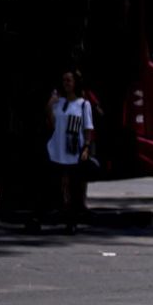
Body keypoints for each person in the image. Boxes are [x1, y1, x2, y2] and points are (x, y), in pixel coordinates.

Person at [39, 69, 94, 234]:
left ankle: (72, 220)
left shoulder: (83, 104)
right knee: (56, 184)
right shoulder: (59, 103)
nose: (67, 84)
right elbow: (52, 124)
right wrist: (50, 105)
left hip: (72, 150)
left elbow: (88, 128)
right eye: (64, 81)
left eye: (69, 80)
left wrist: (86, 147)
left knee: (73, 186)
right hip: (56, 149)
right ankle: (53, 214)